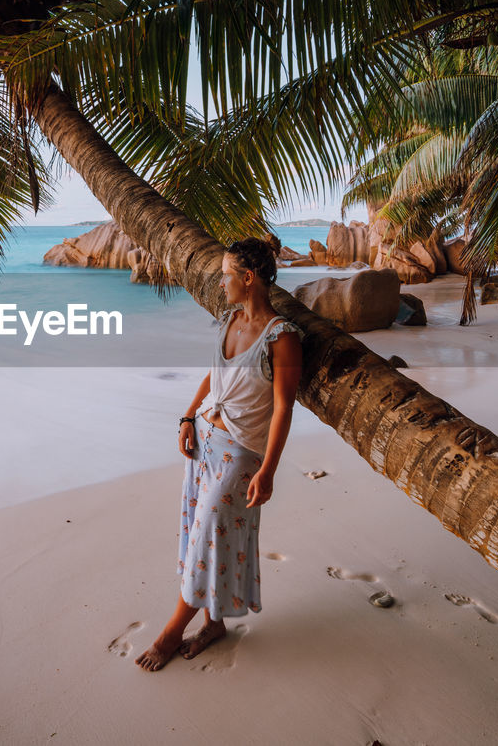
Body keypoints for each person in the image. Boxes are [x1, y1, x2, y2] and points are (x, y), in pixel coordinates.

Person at [135, 237, 303, 672]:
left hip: (242, 454)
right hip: (205, 443)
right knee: (201, 538)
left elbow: (284, 406)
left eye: (227, 274)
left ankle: (169, 636)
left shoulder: (281, 338)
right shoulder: (229, 319)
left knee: (207, 541)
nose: (221, 281)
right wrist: (188, 417)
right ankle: (213, 625)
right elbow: (215, 376)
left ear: (248, 279)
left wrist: (268, 470)